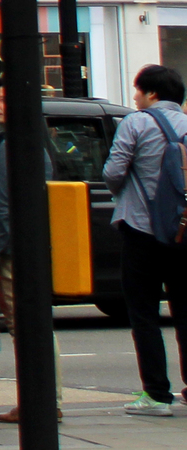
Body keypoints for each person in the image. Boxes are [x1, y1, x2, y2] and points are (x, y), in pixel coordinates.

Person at [106, 63, 187, 415]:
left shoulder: (136, 123)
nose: (135, 97)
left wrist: (123, 192)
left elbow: (113, 171)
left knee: (144, 313)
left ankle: (156, 394)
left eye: (138, 90)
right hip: (183, 232)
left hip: (140, 230)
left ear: (152, 93)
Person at [0, 83, 58, 424]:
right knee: (33, 325)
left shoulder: (13, 147)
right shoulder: (29, 143)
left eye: (3, 100)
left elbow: (2, 207)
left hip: (12, 250)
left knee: (23, 325)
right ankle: (44, 398)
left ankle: (39, 400)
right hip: (25, 246)